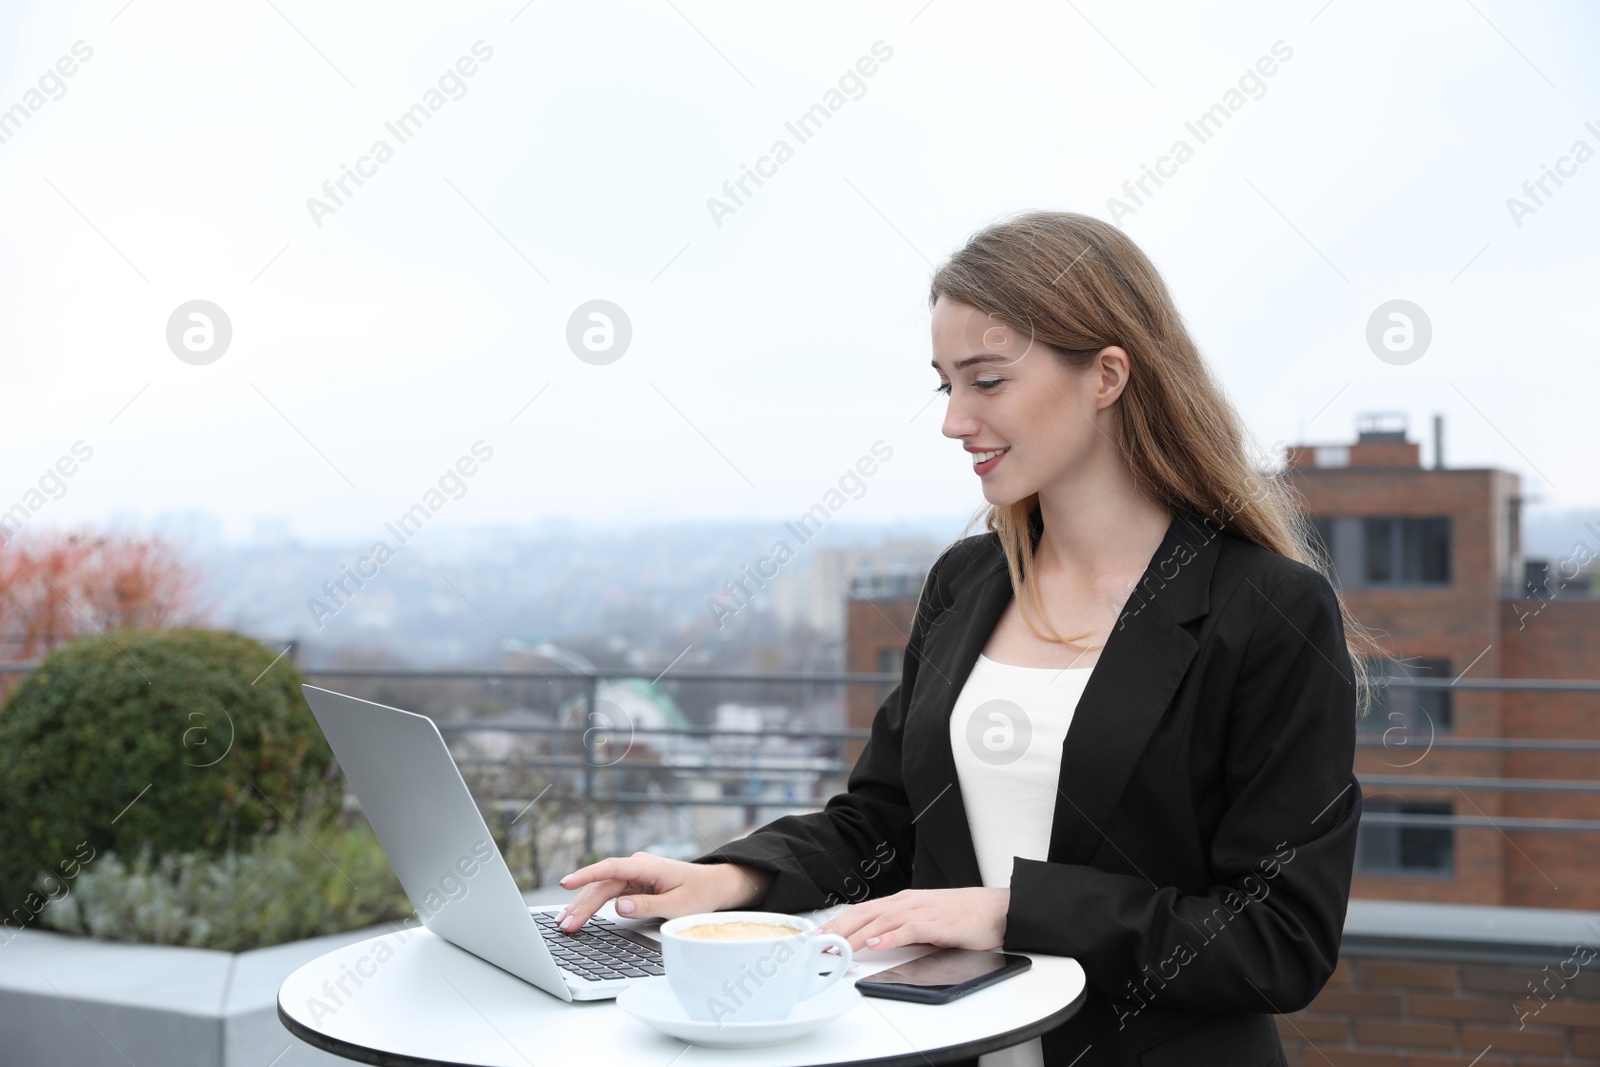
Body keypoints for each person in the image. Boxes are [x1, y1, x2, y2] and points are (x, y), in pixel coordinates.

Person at [556, 211, 1379, 1067]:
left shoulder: (1267, 609)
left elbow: (1278, 939)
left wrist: (1008, 908)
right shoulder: (968, 582)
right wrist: (727, 883)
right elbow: (882, 822)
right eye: (945, 384)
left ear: (1106, 375)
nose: (954, 420)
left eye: (986, 382)